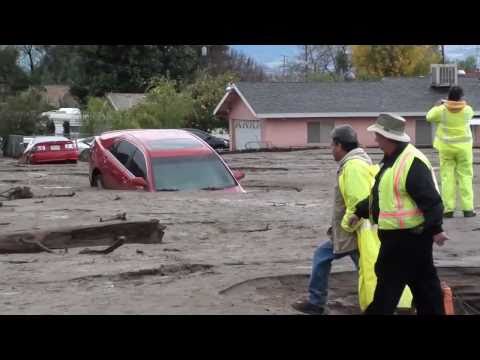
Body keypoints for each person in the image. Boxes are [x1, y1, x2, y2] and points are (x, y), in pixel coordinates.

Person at [292, 124, 411, 315]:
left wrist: (346, 223)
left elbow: (359, 202)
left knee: (366, 269)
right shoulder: (358, 163)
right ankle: (393, 303)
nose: (331, 150)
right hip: (356, 230)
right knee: (362, 267)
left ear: (340, 145)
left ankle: (318, 303)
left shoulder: (353, 167)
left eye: (332, 145)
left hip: (356, 230)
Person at [350, 113, 449, 315]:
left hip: (406, 240)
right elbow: (378, 194)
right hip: (403, 240)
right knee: (427, 293)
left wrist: (436, 228)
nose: (375, 139)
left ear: (388, 138)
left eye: (377, 135)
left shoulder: (411, 162)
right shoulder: (391, 160)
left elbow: (431, 200)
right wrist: (360, 212)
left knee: (386, 295)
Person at [426, 86, 475, 218]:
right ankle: (468, 209)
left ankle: (448, 210)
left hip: (446, 148)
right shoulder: (467, 110)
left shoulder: (441, 110)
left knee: (447, 178)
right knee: (465, 177)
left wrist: (437, 105)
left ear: (448, 97)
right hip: (464, 149)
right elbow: (470, 112)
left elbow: (429, 117)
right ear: (461, 97)